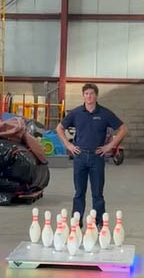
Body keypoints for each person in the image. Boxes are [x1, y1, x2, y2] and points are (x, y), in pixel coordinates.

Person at [55, 83, 128, 226]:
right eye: (86, 93)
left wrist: (110, 146)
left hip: (97, 157)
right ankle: (76, 223)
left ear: (96, 96)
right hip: (80, 157)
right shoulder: (76, 113)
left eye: (92, 93)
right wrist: (68, 145)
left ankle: (99, 224)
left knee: (97, 194)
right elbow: (59, 128)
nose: (89, 96)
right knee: (79, 193)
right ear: (83, 96)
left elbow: (123, 129)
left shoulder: (104, 113)